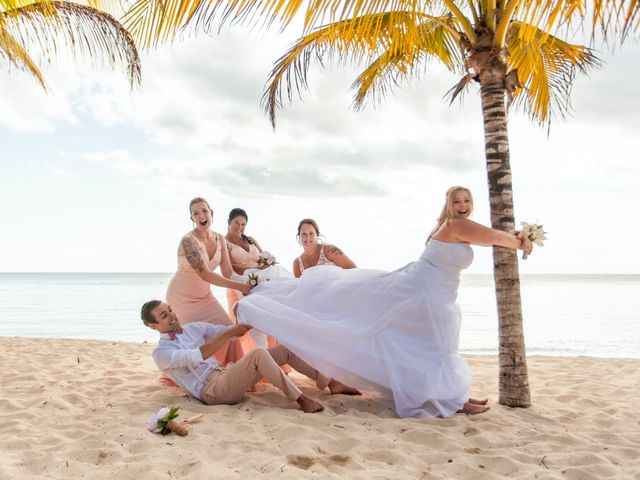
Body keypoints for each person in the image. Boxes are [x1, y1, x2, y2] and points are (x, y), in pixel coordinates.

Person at [236, 186, 533, 418]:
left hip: (438, 291)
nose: (463, 205)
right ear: (449, 206)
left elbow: (487, 236)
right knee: (432, 344)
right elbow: (494, 236)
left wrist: (519, 238)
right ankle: (453, 400)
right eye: (457, 201)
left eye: (466, 200)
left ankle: (455, 397)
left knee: (434, 345)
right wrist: (521, 240)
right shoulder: (456, 225)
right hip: (424, 291)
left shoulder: (456, 226)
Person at [140, 300, 360, 412]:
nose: (171, 316)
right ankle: (301, 399)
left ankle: (331, 383)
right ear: (152, 325)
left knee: (284, 350)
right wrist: (229, 334)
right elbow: (198, 355)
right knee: (257, 354)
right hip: (212, 392)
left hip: (226, 375)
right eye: (163, 315)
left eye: (170, 310)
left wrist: (249, 314)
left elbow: (231, 333)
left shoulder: (192, 328)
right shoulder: (161, 354)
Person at [166, 197, 252, 366]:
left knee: (230, 332)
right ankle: (203, 375)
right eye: (196, 213)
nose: (201, 215)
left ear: (211, 214)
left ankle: (233, 373)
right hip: (182, 300)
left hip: (205, 298)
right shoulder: (188, 241)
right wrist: (240, 287)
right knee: (192, 339)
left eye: (204, 211)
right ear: (192, 219)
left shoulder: (220, 238)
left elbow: (228, 271)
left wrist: (250, 283)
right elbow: (205, 274)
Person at [225, 208, 292, 350]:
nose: (240, 227)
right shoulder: (224, 244)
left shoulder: (250, 239)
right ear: (229, 222)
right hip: (242, 281)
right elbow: (231, 267)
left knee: (275, 306)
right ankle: (260, 355)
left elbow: (263, 256)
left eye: (243, 224)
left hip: (261, 278)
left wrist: (267, 262)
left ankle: (275, 353)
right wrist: (257, 270)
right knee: (256, 318)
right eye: (237, 223)